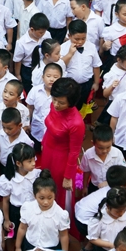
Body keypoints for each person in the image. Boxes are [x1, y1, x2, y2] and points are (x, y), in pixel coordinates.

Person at [40, 77, 84, 209]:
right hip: (47, 150)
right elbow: (49, 127)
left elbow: (74, 152)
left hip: (61, 160)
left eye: (61, 102)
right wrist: (43, 142)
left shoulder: (77, 123)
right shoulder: (54, 106)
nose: (56, 104)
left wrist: (68, 176)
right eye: (54, 99)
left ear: (71, 103)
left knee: (59, 191)